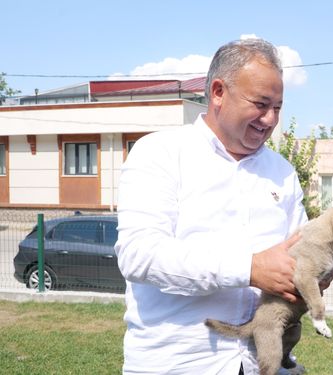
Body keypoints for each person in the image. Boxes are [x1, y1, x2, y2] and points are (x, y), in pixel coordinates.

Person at [114, 38, 308, 374]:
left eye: (278, 107)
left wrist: (312, 272)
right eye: (261, 104)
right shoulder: (159, 153)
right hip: (179, 363)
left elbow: (299, 250)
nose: (271, 119)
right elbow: (139, 255)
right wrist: (249, 269)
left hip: (262, 363)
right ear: (218, 92)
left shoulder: (282, 173)